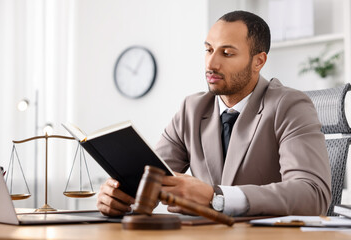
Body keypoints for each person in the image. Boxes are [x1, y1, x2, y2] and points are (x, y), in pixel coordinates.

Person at [97, 10, 331, 217]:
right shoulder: (192, 109)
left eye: (227, 53)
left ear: (258, 61)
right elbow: (152, 178)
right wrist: (119, 195)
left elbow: (312, 195)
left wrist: (216, 197)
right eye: (208, 50)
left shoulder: (289, 105)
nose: (211, 63)